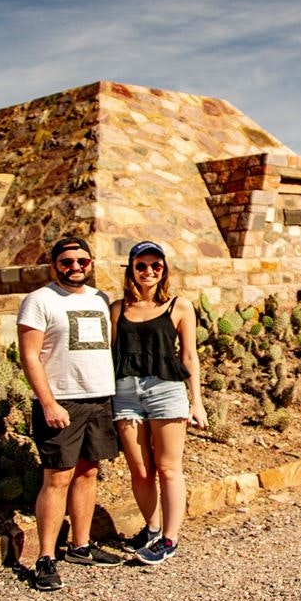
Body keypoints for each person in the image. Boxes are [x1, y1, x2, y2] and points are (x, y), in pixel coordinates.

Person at [17, 236, 124, 592]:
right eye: (67, 262)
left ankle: (81, 545)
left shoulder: (100, 299)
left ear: (90, 263)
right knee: (57, 477)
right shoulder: (39, 300)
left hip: (99, 398)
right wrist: (48, 402)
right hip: (63, 400)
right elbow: (30, 355)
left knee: (89, 472)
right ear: (54, 265)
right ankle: (45, 556)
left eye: (82, 261)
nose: (75, 267)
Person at [110, 240, 208, 564]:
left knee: (168, 468)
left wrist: (198, 402)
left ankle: (170, 538)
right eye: (141, 265)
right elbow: (110, 355)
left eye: (156, 265)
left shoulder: (179, 306)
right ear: (131, 270)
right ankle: (152, 529)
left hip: (166, 390)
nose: (149, 271)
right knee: (140, 469)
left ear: (164, 270)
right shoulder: (117, 308)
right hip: (125, 392)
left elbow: (189, 356)